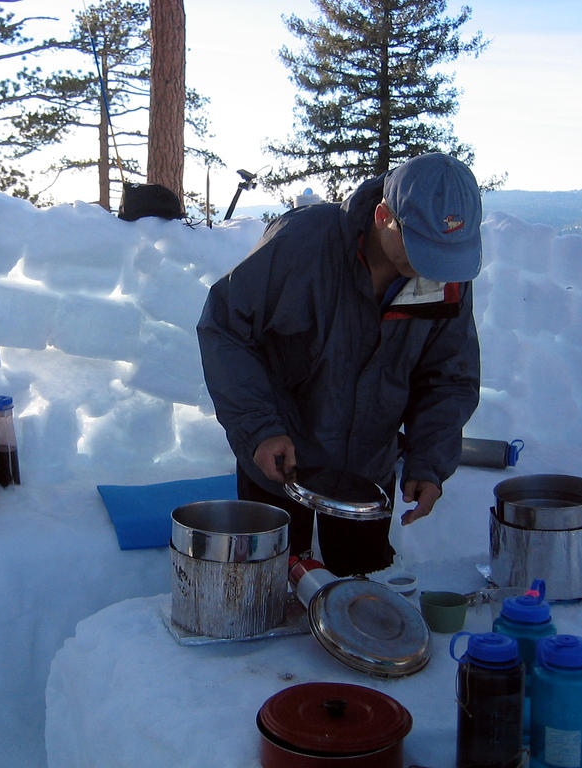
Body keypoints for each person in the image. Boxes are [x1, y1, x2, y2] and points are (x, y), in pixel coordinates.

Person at [196, 152, 482, 571]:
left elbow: (449, 376)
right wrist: (259, 429)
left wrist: (429, 459)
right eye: (422, 247)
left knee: (359, 603)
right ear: (385, 216)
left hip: (367, 473)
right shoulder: (303, 244)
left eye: (446, 254)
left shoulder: (446, 275)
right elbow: (225, 330)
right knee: (268, 594)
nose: (432, 268)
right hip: (278, 459)